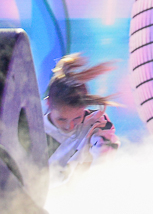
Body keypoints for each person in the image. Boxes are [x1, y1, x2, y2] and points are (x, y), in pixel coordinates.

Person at [43, 53, 120, 184]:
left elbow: (104, 156)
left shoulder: (96, 121)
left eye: (77, 118)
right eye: (62, 119)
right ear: (48, 104)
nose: (70, 126)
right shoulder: (34, 126)